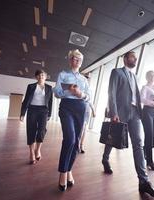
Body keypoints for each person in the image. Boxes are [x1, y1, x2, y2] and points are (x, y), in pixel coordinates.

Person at [102, 51, 154, 197]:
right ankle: (105, 159)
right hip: (121, 112)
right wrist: (114, 112)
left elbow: (137, 96)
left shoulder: (135, 76)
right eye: (132, 57)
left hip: (135, 113)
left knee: (138, 143)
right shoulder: (116, 72)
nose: (135, 59)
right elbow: (111, 93)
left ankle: (144, 182)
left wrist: (142, 114)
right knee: (113, 138)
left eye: (136, 58)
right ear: (125, 59)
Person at [53, 49, 90, 191]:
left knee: (76, 143)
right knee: (70, 139)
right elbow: (56, 93)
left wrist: (80, 93)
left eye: (79, 59)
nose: (77, 61)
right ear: (70, 60)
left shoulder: (84, 80)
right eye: (74, 58)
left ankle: (69, 169)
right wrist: (69, 90)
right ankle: (63, 172)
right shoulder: (62, 74)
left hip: (80, 107)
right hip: (66, 107)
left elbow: (88, 97)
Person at [20, 69, 53, 165]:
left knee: (42, 130)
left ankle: (38, 150)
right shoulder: (31, 86)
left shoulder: (49, 88)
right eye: (38, 75)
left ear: (45, 77)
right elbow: (26, 100)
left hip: (43, 111)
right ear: (36, 77)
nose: (40, 77)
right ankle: (31, 153)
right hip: (32, 109)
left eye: (42, 75)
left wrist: (50, 114)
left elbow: (50, 102)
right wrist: (22, 113)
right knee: (31, 130)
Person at [79, 74, 96, 154]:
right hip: (80, 109)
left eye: (88, 79)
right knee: (80, 128)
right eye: (86, 79)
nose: (87, 80)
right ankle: (77, 145)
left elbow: (90, 101)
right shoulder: (79, 88)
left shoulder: (90, 90)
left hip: (87, 110)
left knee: (84, 129)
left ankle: (81, 145)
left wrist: (93, 110)